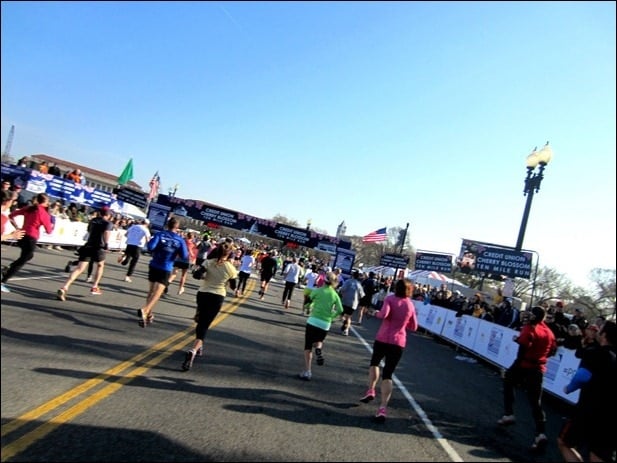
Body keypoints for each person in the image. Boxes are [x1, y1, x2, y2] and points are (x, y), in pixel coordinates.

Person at [496, 306, 558, 452]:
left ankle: (508, 413)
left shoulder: (530, 328)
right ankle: (540, 433)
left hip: (525, 365)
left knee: (508, 381)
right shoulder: (549, 332)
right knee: (535, 401)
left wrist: (515, 366)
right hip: (539, 368)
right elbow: (553, 350)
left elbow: (523, 348)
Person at [358, 279, 418, 422]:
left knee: (375, 363)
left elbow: (384, 314)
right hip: (398, 341)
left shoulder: (390, 299)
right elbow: (414, 326)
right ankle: (383, 408)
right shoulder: (410, 305)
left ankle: (371, 389)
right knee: (388, 374)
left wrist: (375, 313)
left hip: (383, 337)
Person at [557, 321, 616, 463]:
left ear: (604, 335)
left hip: (589, 410)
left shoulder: (597, 353)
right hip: (612, 416)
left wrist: (569, 388)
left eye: (600, 330)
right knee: (598, 456)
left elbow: (582, 375)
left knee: (564, 442)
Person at [181, 241, 238, 371]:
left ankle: (199, 344)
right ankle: (194, 349)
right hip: (217, 296)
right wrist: (229, 284)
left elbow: (196, 275)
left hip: (203, 293)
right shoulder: (231, 268)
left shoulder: (208, 262)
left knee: (201, 322)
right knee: (205, 325)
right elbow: (233, 286)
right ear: (229, 254)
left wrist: (205, 276)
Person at [136, 217, 188, 327]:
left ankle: (148, 314)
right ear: (177, 227)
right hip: (166, 267)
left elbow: (150, 247)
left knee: (151, 291)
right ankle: (145, 310)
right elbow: (184, 255)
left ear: (167, 225)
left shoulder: (160, 234)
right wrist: (175, 251)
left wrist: (160, 248)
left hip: (154, 265)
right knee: (157, 294)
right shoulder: (179, 240)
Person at [57, 207, 113, 300]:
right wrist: (106, 244)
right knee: (100, 265)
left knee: (79, 268)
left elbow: (89, 231)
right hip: (99, 247)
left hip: (89, 245)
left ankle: (65, 287)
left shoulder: (93, 221)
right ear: (108, 214)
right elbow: (107, 233)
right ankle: (95, 286)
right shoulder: (108, 223)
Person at [2, 193, 54, 288]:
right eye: (48, 201)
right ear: (46, 202)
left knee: (28, 256)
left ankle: (9, 268)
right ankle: (4, 279)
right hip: (31, 238)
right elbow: (49, 231)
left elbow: (11, 215)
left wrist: (17, 227)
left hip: (22, 236)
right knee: (23, 259)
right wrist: (51, 224)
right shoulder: (44, 213)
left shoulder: (29, 208)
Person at [299, 271, 343, 381]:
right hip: (325, 323)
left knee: (308, 346)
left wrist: (309, 306)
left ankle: (308, 371)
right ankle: (318, 350)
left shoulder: (317, 291)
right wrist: (332, 317)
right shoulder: (334, 294)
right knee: (319, 341)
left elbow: (308, 302)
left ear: (323, 280)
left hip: (313, 320)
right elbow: (340, 309)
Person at [0, 190, 26, 292]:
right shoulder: (2, 218)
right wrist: (12, 235)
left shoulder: (3, 216)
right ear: (6, 202)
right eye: (12, 201)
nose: (12, 204)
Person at [118, 218, 151, 283]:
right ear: (147, 224)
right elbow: (148, 239)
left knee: (127, 258)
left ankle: (124, 258)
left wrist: (132, 237)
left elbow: (126, 234)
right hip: (138, 246)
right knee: (133, 262)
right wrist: (148, 245)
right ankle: (127, 277)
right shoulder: (146, 229)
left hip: (129, 244)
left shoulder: (133, 226)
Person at [168, 231, 198, 295]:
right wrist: (192, 258)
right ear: (192, 237)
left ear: (187, 236)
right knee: (183, 276)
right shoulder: (192, 244)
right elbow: (193, 253)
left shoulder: (182, 242)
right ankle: (180, 288)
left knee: (174, 273)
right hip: (186, 261)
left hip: (178, 259)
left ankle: (168, 282)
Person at [338, 269, 365, 336]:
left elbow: (342, 290)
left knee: (342, 315)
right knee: (349, 317)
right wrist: (357, 298)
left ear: (352, 276)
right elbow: (362, 295)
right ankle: (346, 330)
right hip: (353, 303)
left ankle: (344, 323)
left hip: (345, 301)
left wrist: (342, 293)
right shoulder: (359, 285)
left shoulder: (348, 282)